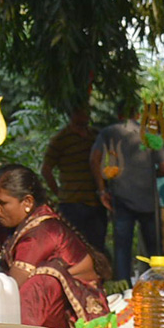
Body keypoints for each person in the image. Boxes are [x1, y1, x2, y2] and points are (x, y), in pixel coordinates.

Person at [0, 165, 110, 328]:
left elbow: (12, 288)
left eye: (2, 202)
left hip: (76, 316)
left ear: (27, 202)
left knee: (43, 281)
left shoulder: (43, 231)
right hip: (47, 312)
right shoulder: (8, 224)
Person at [89, 105, 164, 281]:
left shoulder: (108, 132)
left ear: (119, 114)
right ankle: (158, 287)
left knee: (122, 248)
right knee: (154, 249)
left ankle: (123, 288)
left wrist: (102, 190)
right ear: (139, 115)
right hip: (148, 199)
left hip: (120, 197)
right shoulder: (151, 134)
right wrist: (147, 174)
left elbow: (94, 160)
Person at [41, 107, 106, 255]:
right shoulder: (61, 139)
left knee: (97, 246)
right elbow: (46, 169)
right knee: (74, 246)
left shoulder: (96, 136)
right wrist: (59, 193)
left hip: (96, 200)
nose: (84, 115)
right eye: (80, 111)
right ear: (73, 115)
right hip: (72, 202)